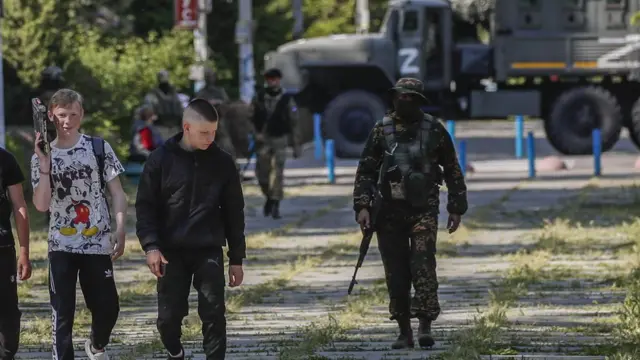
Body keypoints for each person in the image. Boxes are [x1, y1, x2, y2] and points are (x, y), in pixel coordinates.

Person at [352, 78, 468, 350]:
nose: (404, 101)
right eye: (400, 96)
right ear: (393, 98)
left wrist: (456, 207)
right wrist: (363, 206)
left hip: (422, 211)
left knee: (423, 266)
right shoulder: (381, 130)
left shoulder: (434, 130)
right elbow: (366, 171)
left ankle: (425, 325)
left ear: (419, 100)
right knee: (396, 272)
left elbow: (451, 168)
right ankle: (404, 330)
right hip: (388, 212)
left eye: (410, 97)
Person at [135, 98, 246, 360]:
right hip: (169, 251)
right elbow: (145, 208)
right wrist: (151, 246)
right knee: (168, 318)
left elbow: (234, 213)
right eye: (204, 132)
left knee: (214, 313)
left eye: (214, 132)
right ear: (187, 127)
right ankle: (176, 352)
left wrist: (237, 259)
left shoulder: (223, 163)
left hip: (208, 248)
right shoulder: (159, 161)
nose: (210, 138)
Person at [30, 88, 128, 360]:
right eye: (61, 115)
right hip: (61, 245)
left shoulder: (98, 147)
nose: (67, 121)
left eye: (73, 114)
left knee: (108, 308)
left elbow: (118, 192)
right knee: (63, 313)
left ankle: (96, 345)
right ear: (50, 116)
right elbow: (41, 205)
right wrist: (45, 164)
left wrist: (120, 228)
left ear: (82, 115)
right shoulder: (42, 156)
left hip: (97, 243)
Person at [250, 68, 302, 219]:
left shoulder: (287, 99)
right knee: (262, 175)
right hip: (263, 140)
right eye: (269, 79)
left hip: (280, 139)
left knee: (277, 173)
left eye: (274, 78)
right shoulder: (258, 97)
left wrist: (296, 145)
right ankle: (269, 197)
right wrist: (256, 134)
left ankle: (275, 203)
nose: (272, 81)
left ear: (279, 80)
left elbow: (294, 123)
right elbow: (250, 118)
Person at [0, 148, 32, 360]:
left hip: (2, 247)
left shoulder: (5, 159)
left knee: (6, 305)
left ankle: (7, 353)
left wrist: (24, 252)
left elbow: (20, 206)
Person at [196, 68, 238, 165]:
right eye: (208, 77)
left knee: (227, 148)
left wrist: (219, 105)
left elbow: (227, 105)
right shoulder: (201, 92)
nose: (210, 79)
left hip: (220, 123)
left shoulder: (220, 91)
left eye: (211, 76)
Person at [143, 70, 184, 139]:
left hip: (168, 128)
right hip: (167, 128)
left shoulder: (174, 94)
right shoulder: (174, 93)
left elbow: (180, 111)